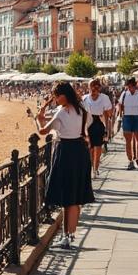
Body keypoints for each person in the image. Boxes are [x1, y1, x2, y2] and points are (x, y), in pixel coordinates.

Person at [37, 81, 94, 249]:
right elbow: (86, 126)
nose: (55, 99)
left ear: (64, 95)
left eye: (57, 95)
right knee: (75, 197)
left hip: (65, 151)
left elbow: (43, 131)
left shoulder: (61, 113)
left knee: (66, 196)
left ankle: (66, 236)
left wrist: (38, 119)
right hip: (80, 151)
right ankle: (69, 235)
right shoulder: (83, 111)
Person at [82, 79, 114, 178]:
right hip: (88, 125)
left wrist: (108, 128)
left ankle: (95, 169)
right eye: (91, 86)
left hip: (99, 123)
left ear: (99, 88)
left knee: (98, 148)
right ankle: (92, 168)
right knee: (90, 149)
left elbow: (110, 113)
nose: (93, 89)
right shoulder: (85, 98)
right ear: (88, 87)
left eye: (96, 87)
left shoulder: (104, 98)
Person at [118, 77, 138, 170]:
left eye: (131, 86)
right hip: (127, 118)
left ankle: (137, 156)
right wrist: (120, 116)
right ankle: (130, 161)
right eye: (128, 86)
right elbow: (120, 105)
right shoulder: (124, 94)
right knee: (128, 141)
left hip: (137, 118)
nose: (130, 88)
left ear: (135, 86)